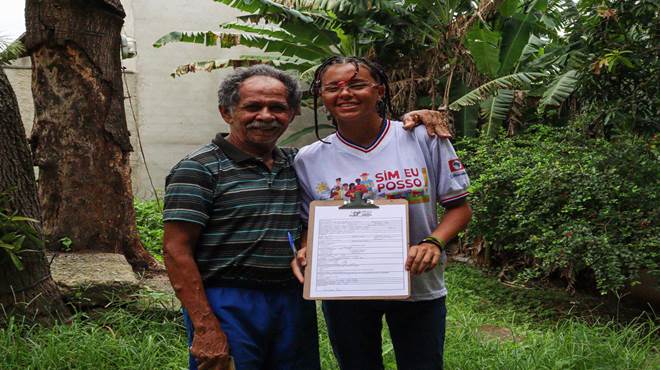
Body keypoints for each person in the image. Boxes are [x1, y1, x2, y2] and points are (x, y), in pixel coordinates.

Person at [292, 56, 473, 370]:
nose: (345, 93)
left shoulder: (422, 137)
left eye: (357, 84)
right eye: (333, 87)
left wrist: (433, 243)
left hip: (419, 285)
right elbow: (311, 223)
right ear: (322, 98)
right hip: (345, 289)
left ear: (379, 91)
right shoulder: (308, 159)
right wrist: (308, 249)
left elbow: (459, 208)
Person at [162, 65, 320, 370]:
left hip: (292, 300)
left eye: (277, 107)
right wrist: (206, 327)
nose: (265, 115)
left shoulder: (297, 163)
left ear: (292, 113)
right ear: (227, 112)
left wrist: (418, 120)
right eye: (252, 107)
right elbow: (175, 249)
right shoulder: (198, 168)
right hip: (227, 301)